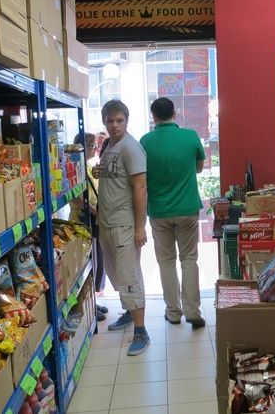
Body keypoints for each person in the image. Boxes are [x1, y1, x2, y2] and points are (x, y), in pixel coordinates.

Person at [140, 97, 206, 329]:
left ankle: (173, 312)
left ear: (153, 117)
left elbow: (142, 175)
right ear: (174, 114)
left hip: (159, 211)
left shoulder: (145, 141)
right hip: (187, 209)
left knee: (166, 262)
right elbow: (198, 168)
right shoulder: (191, 136)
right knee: (189, 259)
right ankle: (193, 311)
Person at [91, 100, 150, 355]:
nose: (114, 125)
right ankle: (128, 312)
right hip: (106, 222)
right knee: (116, 274)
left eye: (119, 120)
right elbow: (116, 175)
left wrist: (140, 227)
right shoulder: (109, 145)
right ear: (104, 121)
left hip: (124, 223)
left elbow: (140, 187)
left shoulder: (131, 148)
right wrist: (100, 171)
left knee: (129, 276)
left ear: (126, 120)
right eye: (110, 121)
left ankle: (141, 331)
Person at [69, 132, 108, 322]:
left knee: (97, 261)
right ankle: (88, 304)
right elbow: (76, 198)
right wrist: (94, 211)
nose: (95, 148)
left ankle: (92, 300)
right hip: (83, 220)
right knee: (87, 263)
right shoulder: (75, 169)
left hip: (93, 219)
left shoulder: (89, 166)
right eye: (92, 145)